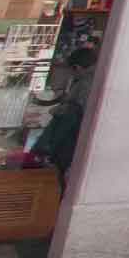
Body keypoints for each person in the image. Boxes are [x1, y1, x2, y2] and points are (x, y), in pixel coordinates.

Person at [35, 48, 97, 192]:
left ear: (77, 68)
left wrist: (60, 110)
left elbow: (80, 111)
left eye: (72, 70)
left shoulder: (86, 83)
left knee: (59, 169)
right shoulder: (96, 76)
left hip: (71, 136)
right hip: (74, 136)